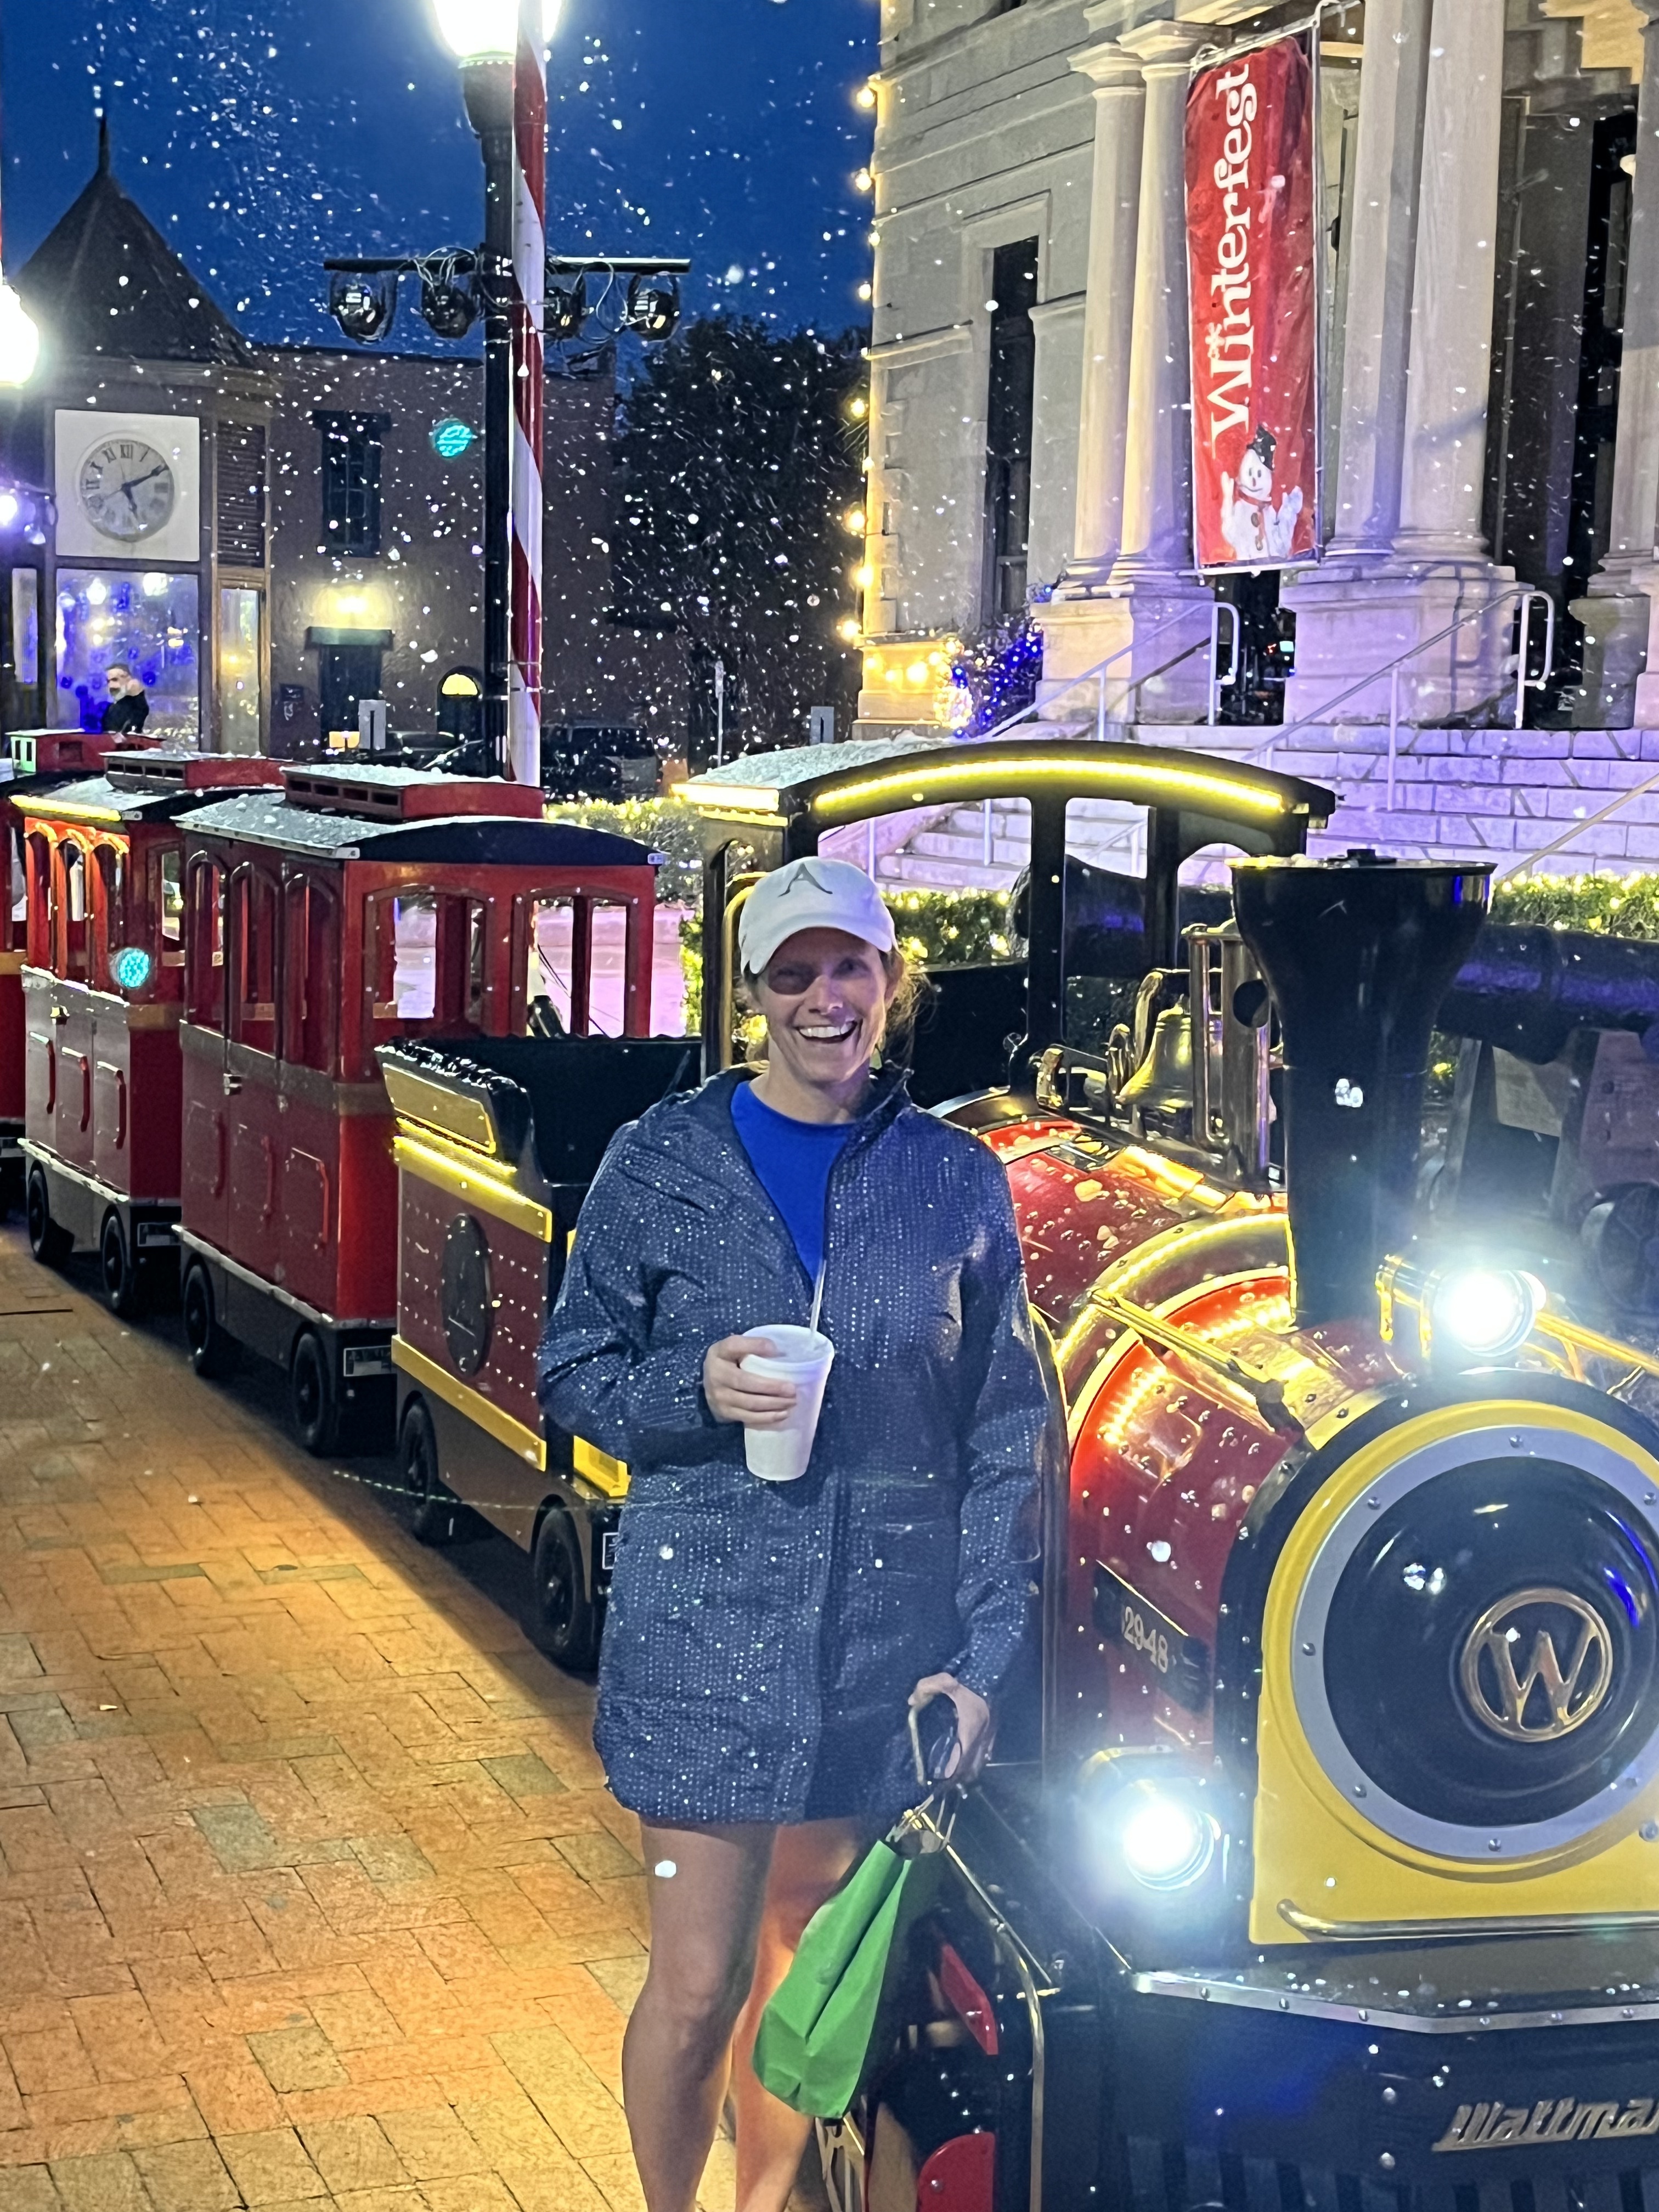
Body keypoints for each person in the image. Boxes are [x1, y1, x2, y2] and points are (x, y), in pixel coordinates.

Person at [539, 856, 1059, 2212]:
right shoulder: (663, 1160)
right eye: (793, 975)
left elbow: (1004, 1432)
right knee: (696, 1981)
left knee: (803, 1966)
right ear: (752, 997)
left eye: (850, 969)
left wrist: (983, 1660)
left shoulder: (955, 1180)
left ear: (892, 981)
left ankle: (763, 2207)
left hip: (877, 1645)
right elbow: (572, 1371)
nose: (825, 1000)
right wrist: (693, 1391)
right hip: (702, 1637)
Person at [100, 664, 150, 736]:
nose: (111, 686)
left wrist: (138, 695)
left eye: (115, 680)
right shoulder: (110, 709)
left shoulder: (138, 706)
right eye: (108, 681)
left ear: (129, 680)